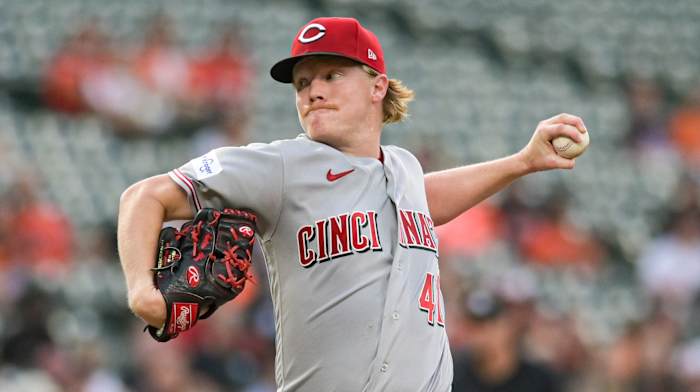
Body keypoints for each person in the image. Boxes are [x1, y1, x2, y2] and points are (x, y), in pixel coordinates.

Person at [118, 17, 588, 391]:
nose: (312, 91)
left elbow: (427, 199)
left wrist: (523, 162)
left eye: (331, 75)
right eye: (302, 83)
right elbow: (143, 196)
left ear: (377, 86)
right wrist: (143, 291)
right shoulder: (282, 166)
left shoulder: (403, 170)